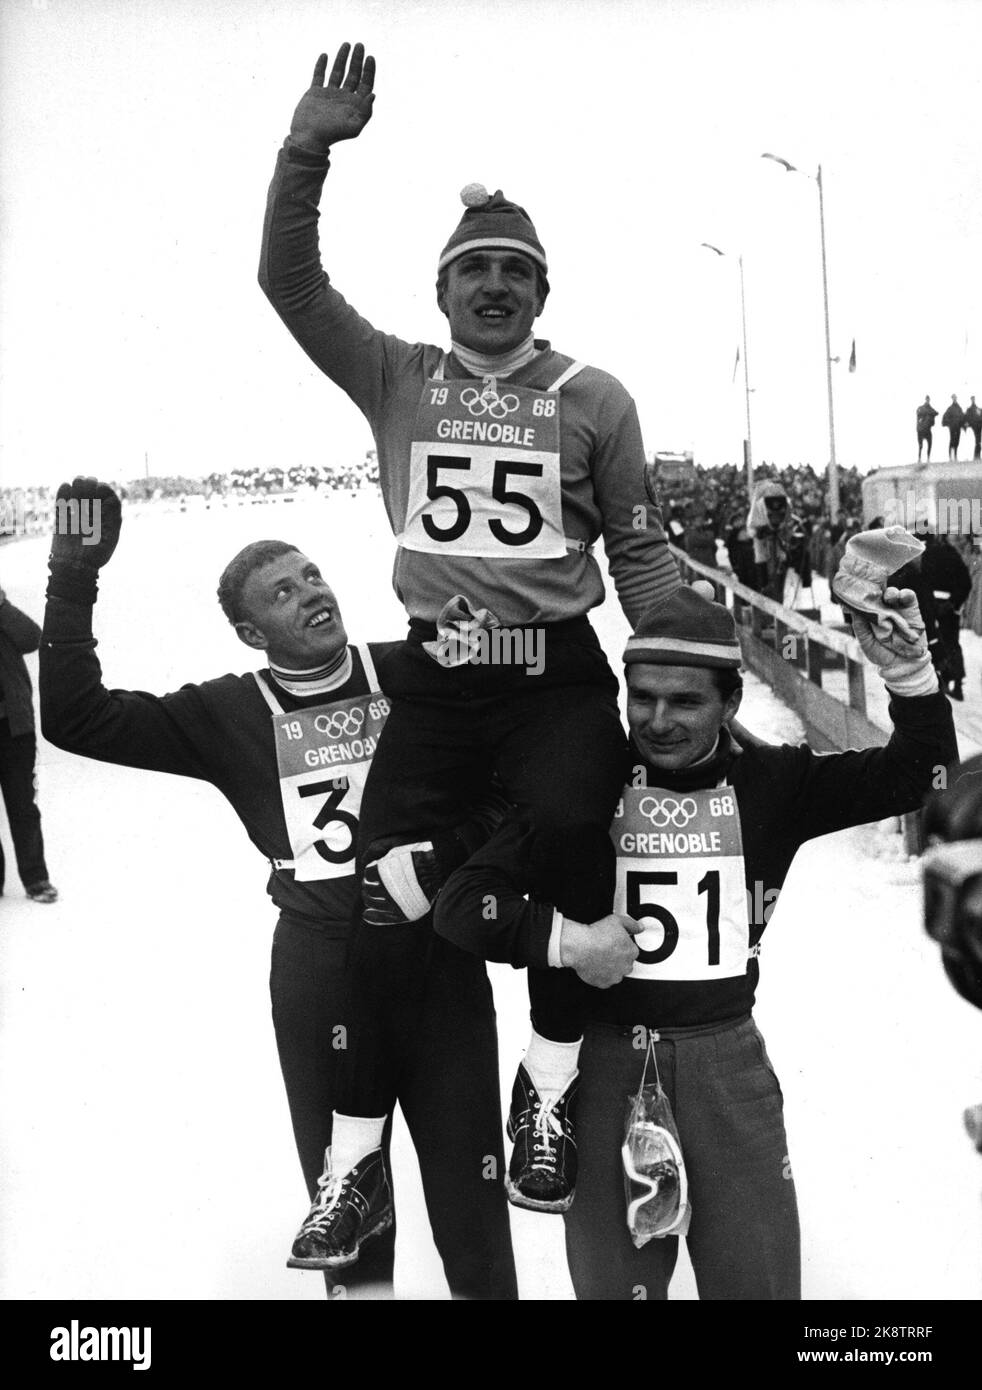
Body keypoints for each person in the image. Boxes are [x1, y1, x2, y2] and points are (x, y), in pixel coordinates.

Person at [259, 42, 681, 1245]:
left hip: (551, 671)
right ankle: (351, 1163)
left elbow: (641, 554)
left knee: (568, 840)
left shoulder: (596, 398)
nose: (493, 286)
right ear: (442, 291)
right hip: (441, 675)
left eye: (515, 271)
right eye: (473, 270)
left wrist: (684, 671)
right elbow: (289, 284)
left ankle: (544, 1086)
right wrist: (307, 152)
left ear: (542, 294)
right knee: (378, 896)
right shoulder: (396, 375)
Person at [38, 476, 517, 1302]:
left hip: (433, 952)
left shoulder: (409, 667)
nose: (312, 595)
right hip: (321, 965)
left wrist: (485, 634)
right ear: (252, 631)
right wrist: (72, 576)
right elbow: (76, 720)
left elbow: (515, 717)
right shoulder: (226, 710)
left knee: (472, 1202)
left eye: (314, 575)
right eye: (284, 592)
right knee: (351, 1207)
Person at [432, 565, 957, 1299]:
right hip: (605, 1065)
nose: (657, 720)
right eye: (640, 699)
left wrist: (910, 672)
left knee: (759, 1286)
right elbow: (462, 904)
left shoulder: (773, 783)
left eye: (685, 701)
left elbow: (924, 778)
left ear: (730, 701)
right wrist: (569, 943)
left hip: (725, 1064)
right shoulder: (583, 785)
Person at [0, 584, 57, 903]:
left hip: (13, 728)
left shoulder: (2, 617)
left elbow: (32, 637)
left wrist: (1, 607)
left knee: (23, 806)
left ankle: (36, 880)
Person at [920, 530, 971, 701]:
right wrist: (953, 603)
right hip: (949, 607)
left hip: (932, 605)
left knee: (935, 641)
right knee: (952, 643)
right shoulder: (954, 556)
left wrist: (930, 603)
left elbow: (923, 582)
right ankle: (956, 683)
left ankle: (942, 680)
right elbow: (966, 583)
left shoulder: (927, 555)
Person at [942, 394, 965, 462]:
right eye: (953, 398)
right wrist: (949, 424)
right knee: (952, 441)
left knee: (957, 441)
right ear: (952, 399)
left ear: (956, 398)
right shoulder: (950, 408)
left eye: (955, 398)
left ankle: (955, 456)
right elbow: (945, 417)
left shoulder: (959, 408)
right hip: (952, 428)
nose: (954, 399)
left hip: (958, 427)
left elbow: (962, 417)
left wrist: (963, 424)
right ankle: (950, 457)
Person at [917, 396, 938, 462]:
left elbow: (936, 413)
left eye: (928, 400)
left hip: (927, 429)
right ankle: (919, 458)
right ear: (925, 400)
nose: (928, 401)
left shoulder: (930, 408)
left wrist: (930, 414)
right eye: (927, 399)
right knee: (920, 445)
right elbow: (918, 413)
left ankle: (928, 458)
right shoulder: (921, 408)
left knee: (930, 443)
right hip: (921, 429)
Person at [965, 396, 982, 462]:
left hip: (979, 426)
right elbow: (967, 417)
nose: (973, 400)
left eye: (973, 399)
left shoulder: (978, 409)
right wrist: (968, 424)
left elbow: (980, 416)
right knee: (977, 441)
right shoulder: (970, 409)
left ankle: (977, 456)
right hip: (975, 426)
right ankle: (976, 456)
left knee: (978, 441)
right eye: (972, 399)